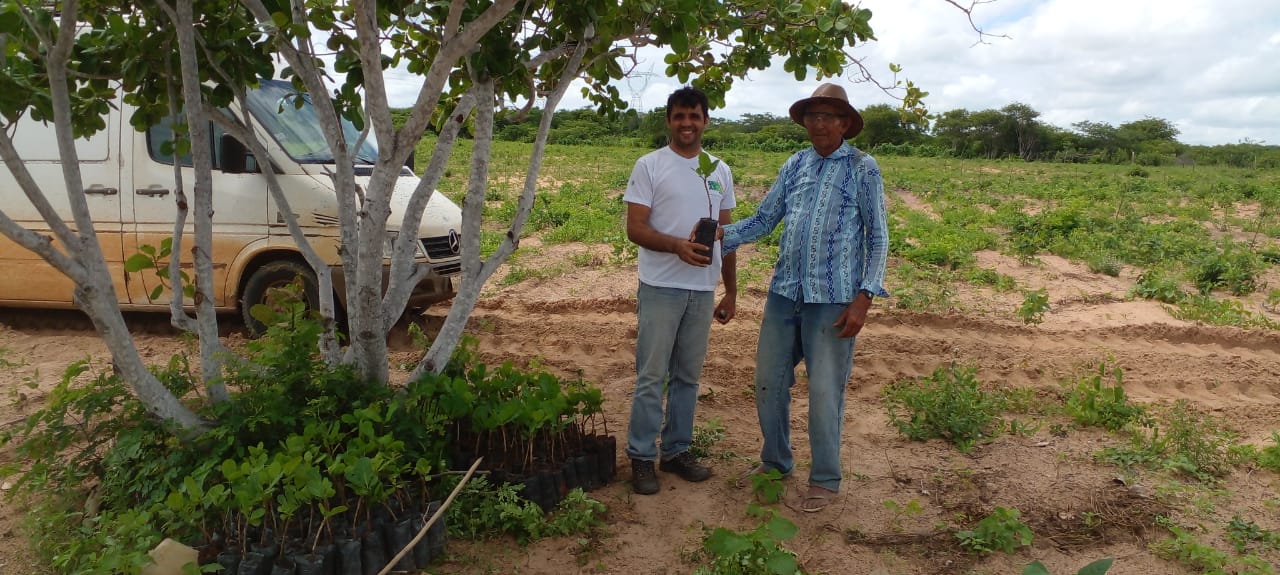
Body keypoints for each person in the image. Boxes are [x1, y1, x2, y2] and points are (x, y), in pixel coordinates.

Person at [720, 82, 888, 512]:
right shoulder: (795, 164)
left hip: (833, 298)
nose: (819, 124)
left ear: (845, 124)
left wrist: (865, 297)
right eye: (813, 116)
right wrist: (720, 236)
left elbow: (878, 237)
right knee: (767, 382)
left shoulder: (863, 168)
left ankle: (825, 478)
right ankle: (776, 461)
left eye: (828, 116)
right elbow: (763, 219)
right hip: (785, 292)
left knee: (826, 390)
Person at [623, 86, 738, 495]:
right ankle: (640, 456)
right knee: (651, 376)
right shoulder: (650, 165)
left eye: (694, 116)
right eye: (679, 116)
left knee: (687, 377)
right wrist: (676, 246)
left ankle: (676, 452)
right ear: (668, 121)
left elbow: (728, 235)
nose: (687, 123)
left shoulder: (719, 170)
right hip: (660, 287)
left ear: (706, 120)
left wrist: (730, 291)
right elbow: (634, 228)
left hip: (702, 290)